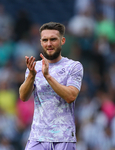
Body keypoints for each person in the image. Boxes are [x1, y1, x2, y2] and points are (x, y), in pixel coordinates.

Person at [19, 22, 84, 150]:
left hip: (63, 137)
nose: (49, 44)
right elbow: (23, 96)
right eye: (45, 40)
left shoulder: (74, 66)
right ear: (41, 42)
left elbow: (71, 96)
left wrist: (48, 77)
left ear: (62, 40)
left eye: (53, 39)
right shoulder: (34, 67)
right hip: (37, 136)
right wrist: (32, 75)